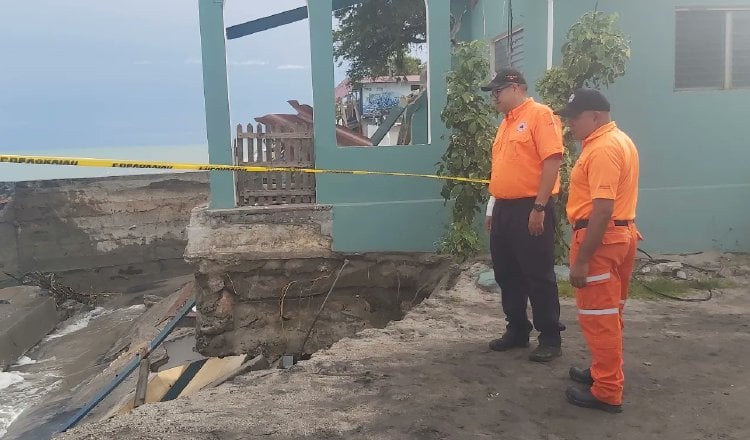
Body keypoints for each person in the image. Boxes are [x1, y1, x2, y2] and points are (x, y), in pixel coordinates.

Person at [556, 88, 641, 413]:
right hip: (620, 235)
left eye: (575, 118)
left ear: (596, 116)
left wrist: (583, 260)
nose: (571, 124)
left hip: (601, 240)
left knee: (599, 317)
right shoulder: (618, 140)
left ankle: (607, 390)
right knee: (610, 313)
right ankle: (602, 371)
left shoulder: (603, 148)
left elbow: (602, 209)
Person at [481, 68, 564, 362]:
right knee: (506, 272)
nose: (494, 98)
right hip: (504, 208)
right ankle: (517, 329)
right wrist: (493, 207)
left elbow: (552, 161)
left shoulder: (540, 115)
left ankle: (550, 337)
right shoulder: (505, 124)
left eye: (497, 92)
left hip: (531, 207)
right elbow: (503, 169)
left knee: (538, 274)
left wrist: (539, 207)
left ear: (516, 88)